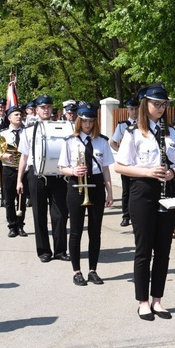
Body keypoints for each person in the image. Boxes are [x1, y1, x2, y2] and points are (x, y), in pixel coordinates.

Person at [114, 83, 175, 321]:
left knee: (163, 250)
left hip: (166, 191)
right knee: (144, 250)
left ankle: (158, 300)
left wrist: (172, 173)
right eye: (157, 103)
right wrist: (147, 173)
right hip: (142, 191)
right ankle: (142, 301)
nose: (161, 108)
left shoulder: (171, 133)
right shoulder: (134, 133)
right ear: (146, 104)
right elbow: (119, 166)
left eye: (164, 104)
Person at [59, 103, 114, 286]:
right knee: (75, 231)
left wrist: (110, 192)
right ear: (78, 121)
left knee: (95, 232)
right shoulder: (69, 141)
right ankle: (77, 271)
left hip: (96, 187)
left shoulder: (102, 141)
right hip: (76, 187)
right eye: (84, 121)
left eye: (91, 121)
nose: (88, 125)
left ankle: (93, 270)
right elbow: (62, 167)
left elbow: (105, 169)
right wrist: (74, 171)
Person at [16, 95, 71, 262]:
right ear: (36, 110)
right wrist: (19, 180)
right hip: (36, 175)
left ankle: (60, 251)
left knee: (60, 214)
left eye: (48, 106)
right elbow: (24, 158)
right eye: (42, 107)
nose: (46, 109)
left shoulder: (63, 128)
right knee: (39, 213)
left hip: (58, 175)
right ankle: (44, 251)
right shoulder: (28, 130)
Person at [0, 105, 27, 238]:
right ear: (9, 118)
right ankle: (12, 226)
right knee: (9, 199)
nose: (19, 117)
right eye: (16, 115)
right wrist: (4, 156)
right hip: (9, 169)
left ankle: (20, 225)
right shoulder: (3, 134)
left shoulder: (27, 132)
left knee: (22, 199)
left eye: (20, 114)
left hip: (24, 170)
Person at [110, 97, 139, 227]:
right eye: (131, 109)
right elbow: (112, 142)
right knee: (126, 190)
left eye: (136, 108)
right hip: (127, 164)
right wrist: (121, 153)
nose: (134, 111)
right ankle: (126, 216)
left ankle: (137, 215)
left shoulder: (145, 123)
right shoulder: (122, 125)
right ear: (127, 110)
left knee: (139, 189)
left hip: (140, 163)